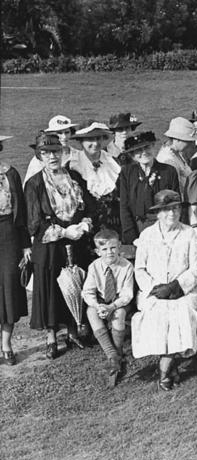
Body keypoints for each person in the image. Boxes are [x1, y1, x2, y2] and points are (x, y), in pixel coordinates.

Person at [25, 133, 94, 359]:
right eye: (46, 153)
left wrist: (83, 224)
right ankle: (51, 336)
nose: (52, 157)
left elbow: (88, 207)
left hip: (75, 242)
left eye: (55, 151)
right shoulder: (34, 184)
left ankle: (73, 330)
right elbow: (34, 223)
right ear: (40, 156)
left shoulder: (74, 177)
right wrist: (63, 232)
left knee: (74, 283)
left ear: (62, 152)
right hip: (50, 245)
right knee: (50, 288)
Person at [131, 190, 197, 391]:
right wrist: (155, 288)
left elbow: (195, 270)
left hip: (184, 290)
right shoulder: (147, 235)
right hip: (154, 291)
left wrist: (175, 287)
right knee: (159, 313)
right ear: (158, 213)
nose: (172, 213)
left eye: (176, 208)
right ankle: (171, 366)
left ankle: (164, 369)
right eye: (166, 210)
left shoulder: (189, 233)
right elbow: (140, 269)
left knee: (181, 312)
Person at [82, 229, 134, 387]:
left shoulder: (126, 266)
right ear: (98, 252)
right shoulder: (94, 267)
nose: (109, 252)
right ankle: (113, 356)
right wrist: (98, 306)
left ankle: (117, 351)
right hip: (102, 302)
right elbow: (87, 291)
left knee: (119, 314)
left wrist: (112, 306)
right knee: (91, 312)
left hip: (120, 302)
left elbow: (127, 294)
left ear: (119, 246)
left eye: (113, 248)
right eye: (104, 249)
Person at [0, 135, 31, 365]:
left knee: (10, 285)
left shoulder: (10, 173)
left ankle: (6, 344)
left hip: (9, 233)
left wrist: (25, 244)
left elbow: (21, 212)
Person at [118, 131, 180, 245]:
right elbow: (124, 207)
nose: (144, 153)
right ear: (132, 155)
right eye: (138, 150)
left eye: (147, 147)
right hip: (137, 229)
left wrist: (172, 233)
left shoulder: (169, 171)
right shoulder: (127, 173)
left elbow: (175, 205)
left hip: (164, 227)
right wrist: (132, 238)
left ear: (153, 146)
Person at [69, 121, 122, 235]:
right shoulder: (73, 166)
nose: (95, 143)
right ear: (81, 141)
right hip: (86, 225)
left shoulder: (113, 162)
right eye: (90, 139)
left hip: (115, 221)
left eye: (98, 138)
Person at [24, 115, 80, 184]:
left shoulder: (79, 155)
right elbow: (29, 184)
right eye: (59, 133)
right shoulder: (40, 159)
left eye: (67, 132)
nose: (64, 136)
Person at [156, 117, 197, 192]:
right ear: (177, 139)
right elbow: (173, 189)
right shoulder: (168, 160)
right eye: (187, 141)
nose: (190, 143)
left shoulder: (177, 153)